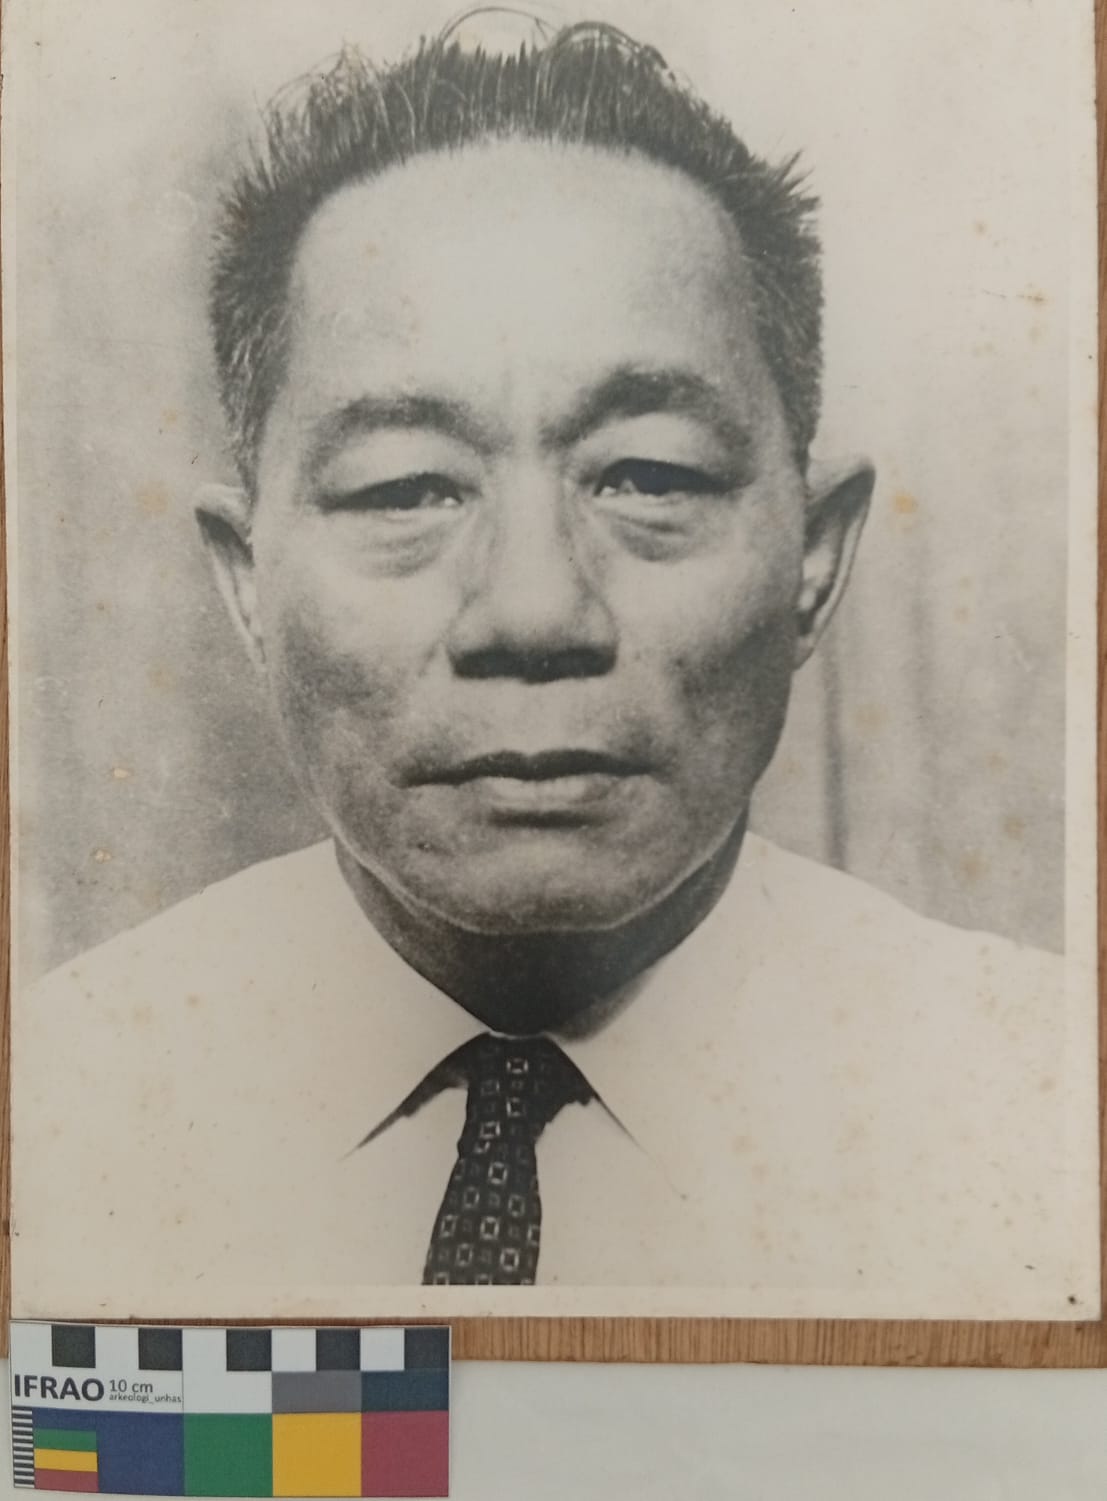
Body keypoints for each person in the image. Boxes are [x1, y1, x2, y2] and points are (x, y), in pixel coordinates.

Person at [14, 22, 1091, 1318]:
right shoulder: (57, 1117)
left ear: (813, 558)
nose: (533, 608)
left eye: (648, 475)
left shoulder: (1037, 1120)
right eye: (406, 488)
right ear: (249, 583)